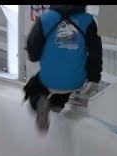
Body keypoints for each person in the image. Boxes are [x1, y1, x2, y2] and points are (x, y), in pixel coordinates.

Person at [23, 5, 102, 133]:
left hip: (49, 78)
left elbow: (33, 50)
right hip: (76, 79)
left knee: (33, 87)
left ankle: (39, 102)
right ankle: (56, 105)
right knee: (66, 85)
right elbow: (95, 53)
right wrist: (94, 78)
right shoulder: (88, 21)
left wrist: (39, 56)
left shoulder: (45, 19)